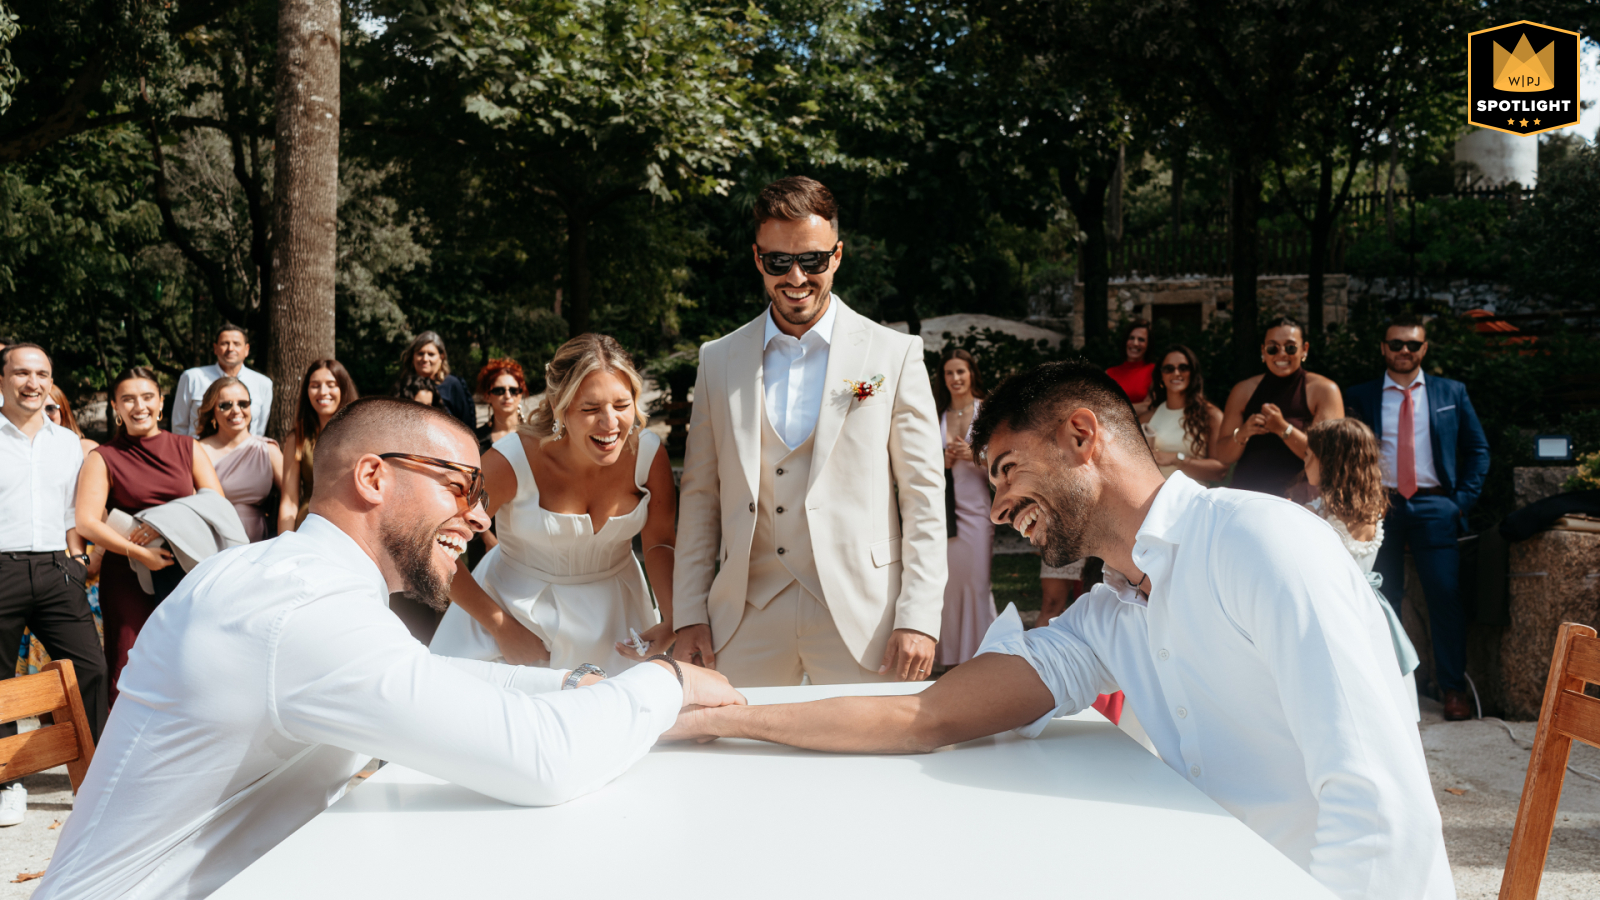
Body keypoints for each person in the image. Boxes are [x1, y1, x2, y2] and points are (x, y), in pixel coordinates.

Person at [676, 359, 1454, 900]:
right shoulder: (1111, 613)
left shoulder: (1260, 543)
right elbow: (929, 714)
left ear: (1084, 437)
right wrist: (731, 717)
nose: (1003, 505)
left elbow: (1381, 810)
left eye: (1009, 468)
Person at [33, 397, 742, 900]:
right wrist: (666, 682)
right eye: (462, 487)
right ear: (373, 477)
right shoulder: (303, 612)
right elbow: (544, 762)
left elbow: (424, 680)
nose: (478, 515)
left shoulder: (292, 578)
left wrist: (572, 684)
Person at [671, 176, 946, 686]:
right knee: (736, 756)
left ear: (837, 256)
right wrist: (689, 613)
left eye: (813, 260)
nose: (796, 276)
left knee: (868, 760)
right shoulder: (718, 359)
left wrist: (919, 617)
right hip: (746, 611)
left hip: (863, 614)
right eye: (779, 261)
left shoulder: (892, 354)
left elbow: (924, 496)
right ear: (758, 259)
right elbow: (700, 495)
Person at [430, 335, 678, 672]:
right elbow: (434, 544)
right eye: (590, 409)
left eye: (622, 405)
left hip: (620, 620)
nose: (610, 423)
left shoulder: (649, 454)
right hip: (513, 620)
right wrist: (501, 627)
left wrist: (671, 616)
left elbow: (661, 541)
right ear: (559, 405)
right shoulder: (510, 461)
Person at [1344, 315, 1489, 722]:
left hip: (1434, 505)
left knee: (1444, 596)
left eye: (1412, 345)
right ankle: (1384, 687)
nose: (1404, 351)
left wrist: (1459, 502)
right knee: (1380, 596)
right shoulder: (1361, 395)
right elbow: (1349, 453)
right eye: (1396, 344)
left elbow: (1478, 450)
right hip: (1380, 506)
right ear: (1383, 348)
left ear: (1424, 349)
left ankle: (1452, 689)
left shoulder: (1451, 392)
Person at [0, 344, 109, 827]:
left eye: (41, 373)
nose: (32, 382)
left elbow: (75, 510)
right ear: (2, 378)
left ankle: (100, 776)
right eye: (21, 372)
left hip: (56, 569)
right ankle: (6, 782)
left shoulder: (67, 442)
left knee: (90, 667)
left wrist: (78, 561)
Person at [73, 366, 225, 706]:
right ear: (115, 406)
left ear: (160, 402)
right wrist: (138, 553)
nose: (138, 406)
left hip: (187, 571)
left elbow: (217, 505)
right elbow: (86, 522)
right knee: (129, 661)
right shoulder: (103, 457)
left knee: (189, 660)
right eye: (127, 399)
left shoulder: (188, 448)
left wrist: (161, 524)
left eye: (146, 397)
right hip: (128, 574)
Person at [1303, 418, 1421, 722]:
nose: (1303, 461)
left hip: (1333, 608)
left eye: (1308, 454)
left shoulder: (1315, 514)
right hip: (1370, 608)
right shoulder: (1373, 508)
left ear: (1329, 461)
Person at [1215, 316, 1344, 497]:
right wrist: (1243, 433)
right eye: (1272, 348)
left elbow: (1328, 457)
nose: (1281, 354)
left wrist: (1283, 429)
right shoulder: (1243, 390)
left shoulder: (1324, 390)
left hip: (1300, 498)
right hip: (1248, 495)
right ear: (1263, 351)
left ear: (1304, 349)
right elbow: (1222, 456)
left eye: (1290, 347)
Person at [935, 348, 995, 666]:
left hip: (976, 511)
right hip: (942, 512)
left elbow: (1002, 463)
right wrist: (940, 460)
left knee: (976, 582)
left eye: (961, 371)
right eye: (949, 373)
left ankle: (980, 656)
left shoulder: (986, 412)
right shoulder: (936, 414)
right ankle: (949, 658)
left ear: (972, 373)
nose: (956, 378)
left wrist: (973, 455)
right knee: (947, 584)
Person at [197, 376, 285, 542]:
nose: (236, 410)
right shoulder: (198, 450)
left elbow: (291, 499)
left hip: (256, 541)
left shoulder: (267, 450)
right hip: (210, 538)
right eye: (225, 405)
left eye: (243, 404)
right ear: (212, 412)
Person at [279, 359, 358, 532]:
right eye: (315, 385)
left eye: (331, 385)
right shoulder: (297, 438)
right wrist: (283, 544)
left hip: (353, 525)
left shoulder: (361, 434)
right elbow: (289, 500)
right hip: (310, 524)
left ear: (343, 388)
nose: (323, 392)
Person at [1139, 344, 1226, 482]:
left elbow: (1220, 471)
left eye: (1183, 367)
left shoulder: (1212, 416)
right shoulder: (1147, 418)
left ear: (1192, 373)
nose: (1176, 373)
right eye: (1169, 368)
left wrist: (1176, 459)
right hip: (1155, 498)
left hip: (1193, 499)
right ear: (1161, 376)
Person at [171, 324, 274, 438]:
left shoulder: (263, 383)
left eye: (236, 344)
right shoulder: (192, 377)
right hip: (198, 452)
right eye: (225, 343)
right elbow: (179, 426)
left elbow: (259, 430)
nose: (230, 348)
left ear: (246, 349)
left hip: (245, 453)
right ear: (215, 348)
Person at [395, 331, 475, 431]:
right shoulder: (403, 385)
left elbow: (467, 425)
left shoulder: (452, 385)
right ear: (412, 357)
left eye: (431, 354)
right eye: (420, 353)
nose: (425, 358)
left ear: (441, 357)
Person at [476, 357, 527, 454]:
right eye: (499, 391)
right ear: (487, 396)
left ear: (520, 394)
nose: (507, 396)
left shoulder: (535, 435)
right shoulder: (475, 441)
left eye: (513, 390)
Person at [1104, 319, 1155, 412]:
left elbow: (1150, 407)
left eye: (1141, 339)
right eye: (1131, 338)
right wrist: (1138, 407)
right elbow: (1103, 409)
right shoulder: (1109, 374)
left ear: (1148, 344)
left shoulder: (1154, 371)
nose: (1135, 343)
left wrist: (1116, 409)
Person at [46, 384, 99, 455]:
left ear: (63, 410)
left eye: (50, 408)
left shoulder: (86, 450)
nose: (43, 414)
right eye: (36, 410)